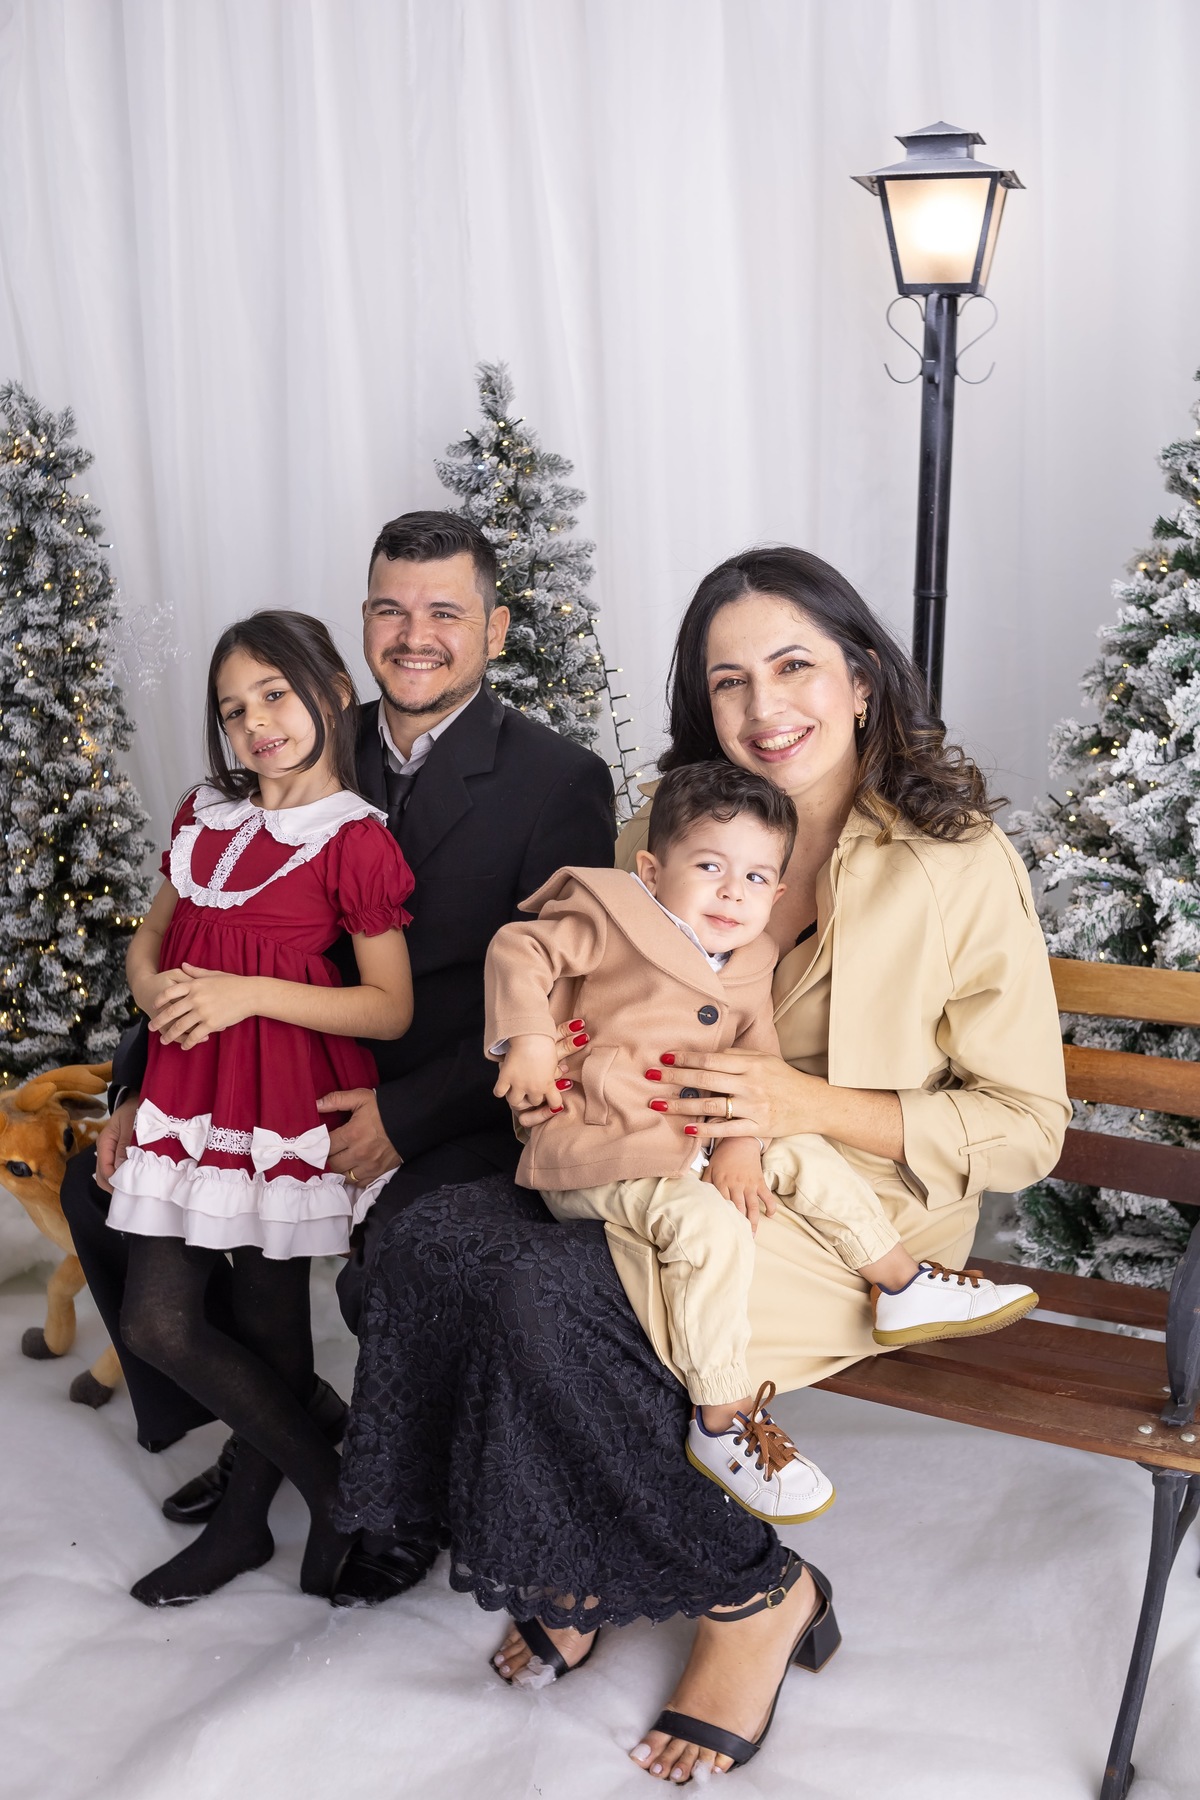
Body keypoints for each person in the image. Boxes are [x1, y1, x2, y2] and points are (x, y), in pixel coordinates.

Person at [335, 545, 1070, 1782]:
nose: (764, 706)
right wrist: (573, 1063)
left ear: (862, 679)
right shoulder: (667, 831)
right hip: (649, 1160)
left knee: (556, 1304)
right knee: (420, 1244)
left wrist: (797, 1102)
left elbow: (1022, 1127)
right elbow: (572, 997)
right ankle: (577, 1553)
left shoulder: (957, 863)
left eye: (794, 666)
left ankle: (753, 1600)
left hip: (848, 1214)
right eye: (729, 681)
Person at [61, 511, 616, 1602]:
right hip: (266, 1073)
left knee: (402, 1243)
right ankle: (275, 1420)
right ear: (359, 623)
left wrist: (400, 1119)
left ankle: (379, 1483)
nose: (414, 635)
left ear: (496, 630)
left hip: (446, 1095)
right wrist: (136, 1089)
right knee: (105, 1197)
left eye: (444, 612)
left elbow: (556, 993)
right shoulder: (304, 729)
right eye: (390, 609)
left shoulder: (558, 782)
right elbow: (200, 944)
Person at [485, 756, 1037, 1527]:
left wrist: (744, 1143)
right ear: (651, 868)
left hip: (694, 1130)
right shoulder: (611, 914)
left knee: (804, 1152)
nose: (729, 893)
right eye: (709, 867)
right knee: (709, 1227)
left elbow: (761, 1062)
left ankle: (900, 1284)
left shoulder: (749, 960)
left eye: (753, 879)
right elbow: (521, 950)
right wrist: (531, 1041)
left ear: (775, 894)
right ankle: (723, 1420)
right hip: (604, 1143)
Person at [111, 609, 415, 1607]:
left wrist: (248, 993)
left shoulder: (354, 841)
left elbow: (388, 1004)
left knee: (270, 1318)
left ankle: (244, 1527)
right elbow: (149, 943)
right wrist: (154, 989)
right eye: (234, 709)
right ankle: (332, 1493)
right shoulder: (206, 812)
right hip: (187, 1096)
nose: (256, 724)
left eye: (275, 695)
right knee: (161, 1319)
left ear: (332, 689)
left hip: (283, 1100)